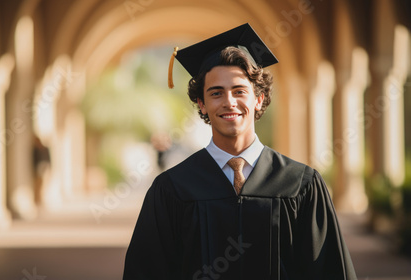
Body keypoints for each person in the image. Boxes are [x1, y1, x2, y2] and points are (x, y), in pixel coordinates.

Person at [123, 23, 357, 280]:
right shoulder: (172, 189)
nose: (229, 102)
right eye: (216, 93)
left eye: (239, 91)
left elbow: (329, 271)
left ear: (258, 99)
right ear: (201, 104)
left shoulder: (300, 184)